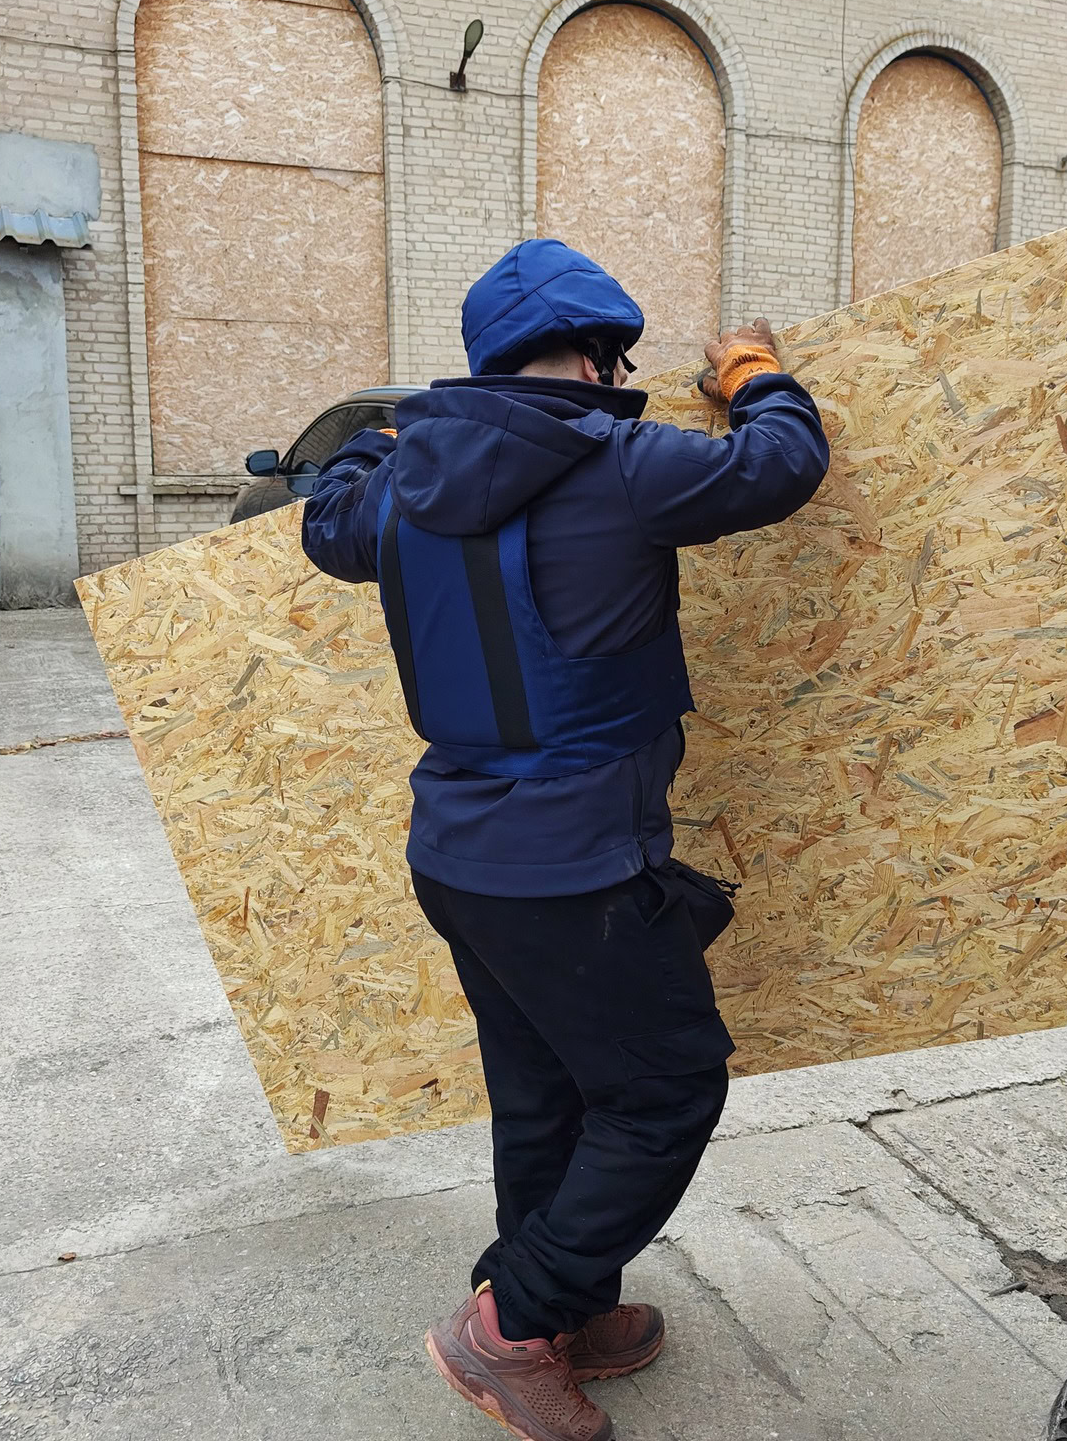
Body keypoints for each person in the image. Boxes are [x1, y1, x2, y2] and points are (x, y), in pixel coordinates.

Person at [301, 238, 829, 1441]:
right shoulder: (626, 462)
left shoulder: (399, 483)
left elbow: (325, 518)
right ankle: (509, 1330)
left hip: (459, 858)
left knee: (546, 1096)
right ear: (596, 354)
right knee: (664, 1091)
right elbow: (781, 465)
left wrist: (380, 439)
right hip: (577, 864)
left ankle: (565, 1307)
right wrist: (753, 372)